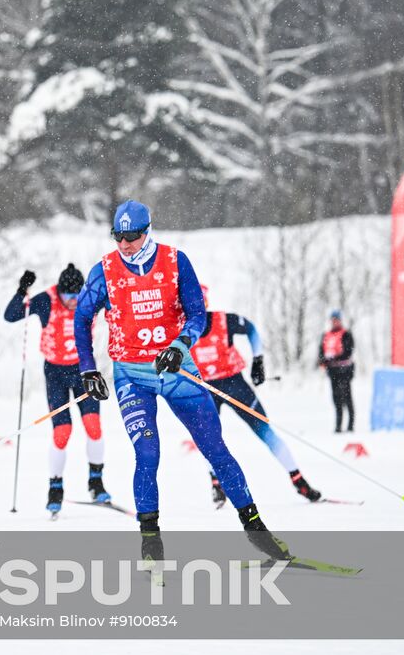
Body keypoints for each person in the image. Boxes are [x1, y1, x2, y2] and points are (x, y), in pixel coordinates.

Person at [73, 201, 287, 564]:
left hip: (176, 369)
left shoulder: (175, 261)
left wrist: (180, 344)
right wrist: (89, 370)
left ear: (148, 230)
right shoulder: (104, 271)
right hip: (131, 374)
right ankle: (151, 543)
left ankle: (256, 529)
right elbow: (81, 320)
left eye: (132, 236)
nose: (125, 244)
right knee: (147, 453)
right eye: (118, 236)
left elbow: (197, 313)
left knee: (214, 448)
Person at [191, 288, 321, 504]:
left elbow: (251, 329)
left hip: (234, 383)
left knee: (264, 430)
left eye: (199, 306)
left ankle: (298, 480)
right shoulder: (180, 328)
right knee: (206, 438)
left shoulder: (225, 321)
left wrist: (258, 360)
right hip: (206, 388)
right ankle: (216, 482)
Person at [3, 264, 109, 514]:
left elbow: (119, 304)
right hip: (56, 374)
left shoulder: (89, 298)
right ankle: (56, 487)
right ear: (59, 292)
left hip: (84, 370)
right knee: (62, 431)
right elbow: (11, 315)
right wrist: (22, 290)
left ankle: (96, 482)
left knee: (93, 426)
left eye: (76, 296)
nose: (72, 301)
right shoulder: (47, 300)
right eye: (67, 296)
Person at [318, 310, 355, 433]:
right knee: (336, 398)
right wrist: (323, 360)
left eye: (336, 320)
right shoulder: (326, 335)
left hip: (345, 370)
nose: (334, 322)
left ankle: (350, 425)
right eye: (333, 320)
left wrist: (334, 357)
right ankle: (338, 426)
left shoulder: (346, 334)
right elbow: (321, 352)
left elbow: (348, 351)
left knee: (346, 397)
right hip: (333, 371)